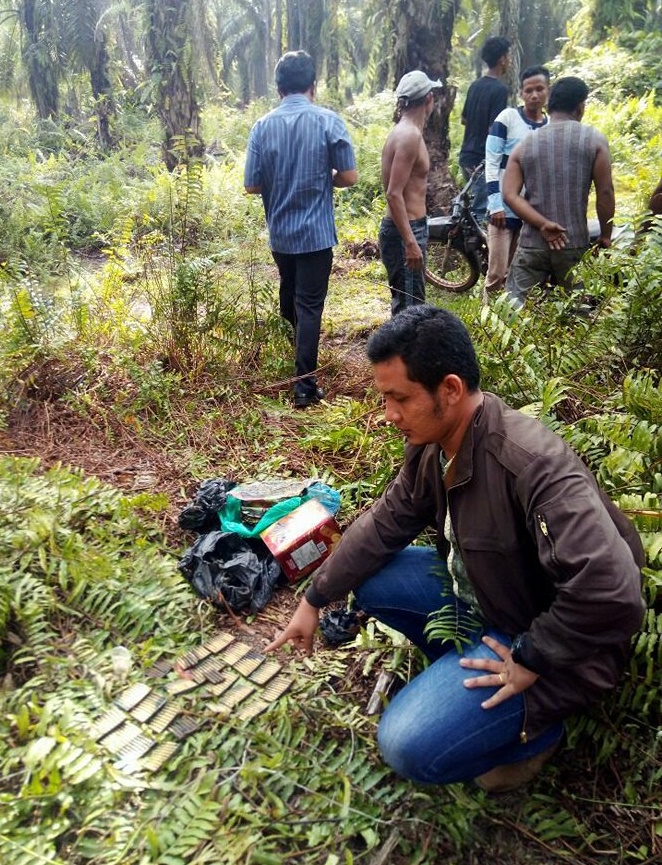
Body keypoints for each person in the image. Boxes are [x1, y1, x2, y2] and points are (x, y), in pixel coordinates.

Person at [266, 305, 645, 792]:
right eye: (385, 399)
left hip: (552, 641)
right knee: (369, 575)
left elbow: (611, 591)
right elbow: (385, 522)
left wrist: (530, 657)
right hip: (491, 599)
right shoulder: (433, 444)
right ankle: (462, 666)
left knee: (405, 743)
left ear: (450, 389)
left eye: (399, 398)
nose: (389, 416)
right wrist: (314, 599)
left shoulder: (532, 465)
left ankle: (535, 730)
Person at [244, 50, 357, 409]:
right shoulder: (328, 121)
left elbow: (251, 185)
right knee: (309, 305)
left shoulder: (262, 126)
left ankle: (295, 351)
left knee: (290, 293)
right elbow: (350, 176)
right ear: (313, 85)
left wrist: (280, 180)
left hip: (280, 231)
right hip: (316, 235)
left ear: (278, 88)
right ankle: (304, 386)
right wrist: (326, 178)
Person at [503, 76, 615, 308]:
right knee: (579, 311)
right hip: (573, 241)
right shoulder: (594, 140)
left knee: (513, 310)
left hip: (532, 243)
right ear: (580, 106)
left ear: (549, 105)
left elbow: (510, 195)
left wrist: (543, 224)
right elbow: (605, 193)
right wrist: (605, 236)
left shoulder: (524, 145)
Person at [483, 66, 550, 301]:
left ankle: (511, 321)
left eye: (539, 89)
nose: (534, 95)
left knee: (519, 271)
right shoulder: (507, 118)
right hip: (503, 208)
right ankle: (487, 322)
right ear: (521, 93)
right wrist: (495, 204)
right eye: (528, 90)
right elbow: (491, 162)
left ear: (547, 91)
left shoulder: (549, 126)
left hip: (531, 209)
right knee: (497, 272)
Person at [379, 70, 442, 315]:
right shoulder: (409, 136)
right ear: (429, 98)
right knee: (409, 310)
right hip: (405, 230)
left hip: (409, 227)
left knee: (412, 303)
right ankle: (401, 353)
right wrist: (410, 242)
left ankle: (406, 353)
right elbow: (394, 194)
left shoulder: (406, 132)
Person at [459, 36, 512, 225]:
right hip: (482, 160)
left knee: (474, 209)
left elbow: (464, 119)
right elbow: (494, 130)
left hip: (466, 156)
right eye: (509, 55)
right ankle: (479, 253)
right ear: (502, 59)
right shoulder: (500, 90)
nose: (510, 60)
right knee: (481, 212)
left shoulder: (475, 86)